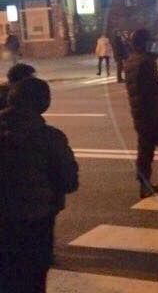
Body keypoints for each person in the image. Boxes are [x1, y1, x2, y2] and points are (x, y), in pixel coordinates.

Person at [0, 77, 79, 293]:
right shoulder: (50, 138)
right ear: (43, 103)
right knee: (32, 279)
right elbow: (69, 182)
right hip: (35, 222)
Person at [124, 29, 158, 198]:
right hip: (154, 114)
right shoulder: (145, 62)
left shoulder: (131, 61)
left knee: (145, 151)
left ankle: (144, 185)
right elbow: (153, 87)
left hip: (140, 113)